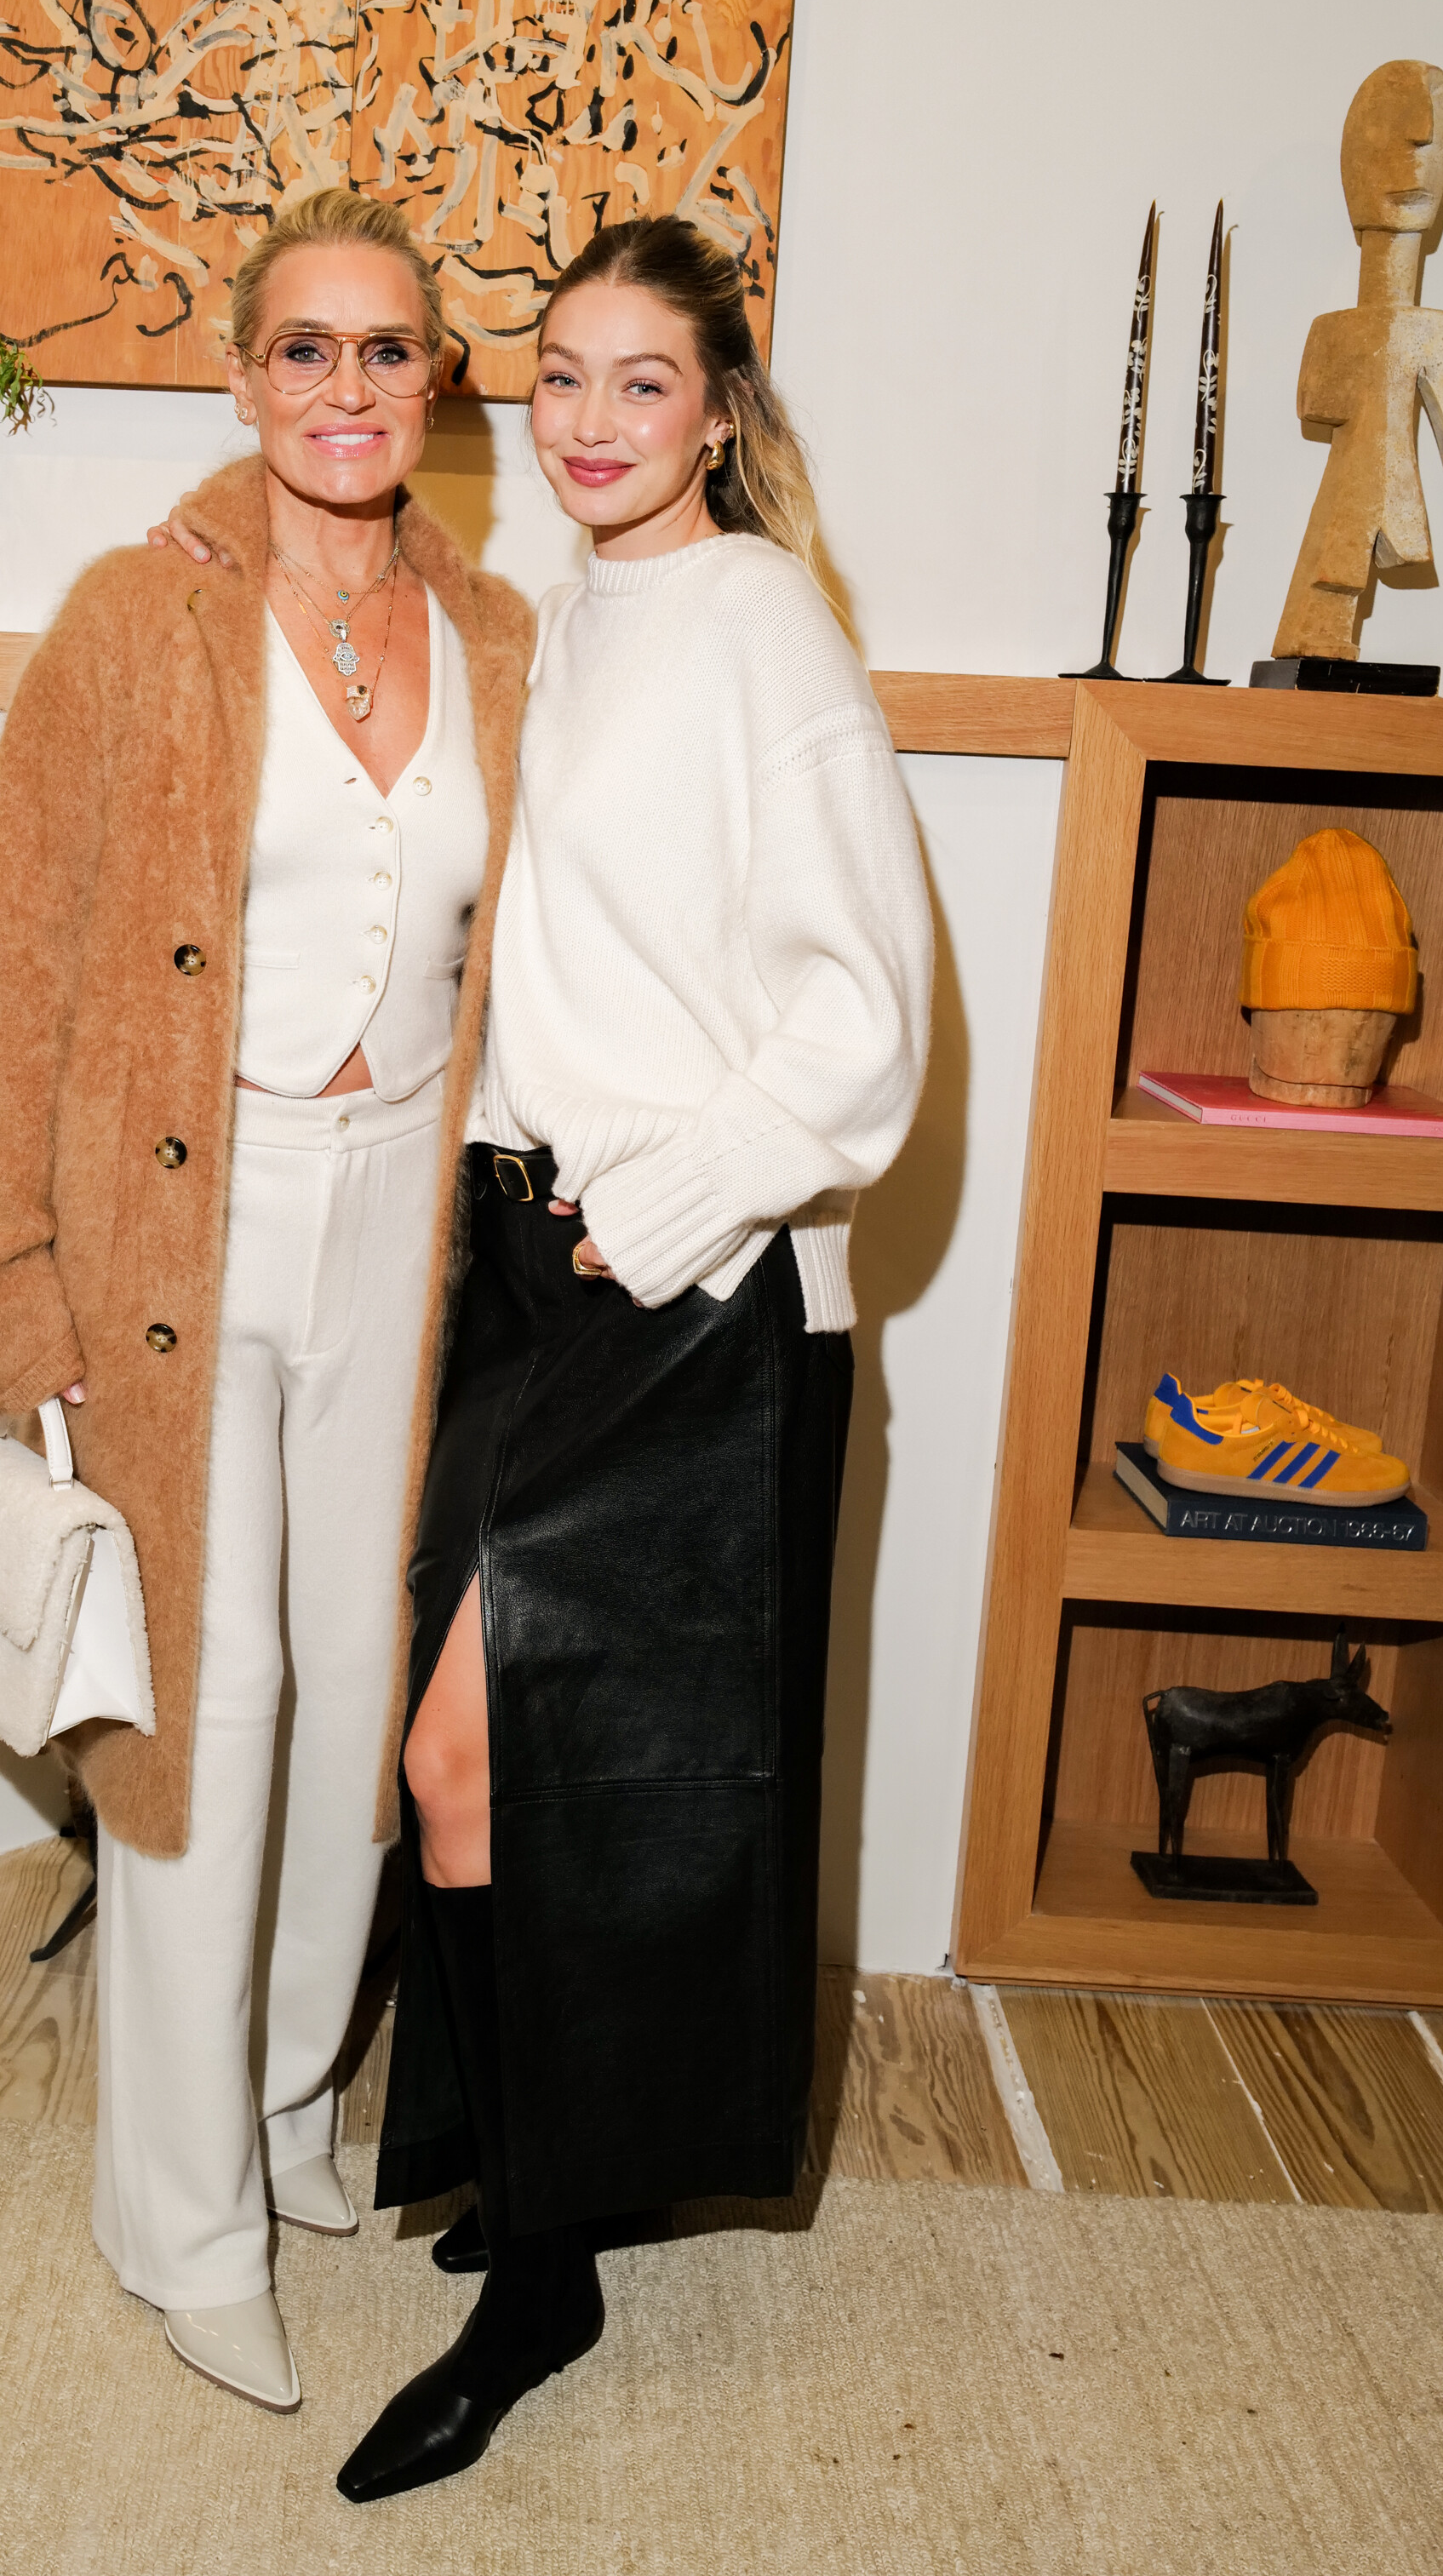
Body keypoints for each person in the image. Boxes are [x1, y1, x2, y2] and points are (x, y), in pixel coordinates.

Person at [336, 214, 935, 2503]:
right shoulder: (560, 619)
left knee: (503, 1757)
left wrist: (659, 1212)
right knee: (460, 1764)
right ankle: (539, 2189)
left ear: (720, 415)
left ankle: (544, 2276)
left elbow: (866, 1020)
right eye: (561, 378)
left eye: (641, 383)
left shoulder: (760, 623)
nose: (589, 422)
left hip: (687, 1289)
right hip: (527, 1270)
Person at [0, 187, 534, 2415]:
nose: (347, 389)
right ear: (240, 372)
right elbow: (9, 975)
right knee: (209, 1704)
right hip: (182, 1233)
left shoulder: (500, 635)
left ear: (433, 380)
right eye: (306, 348)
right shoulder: (134, 620)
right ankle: (177, 2218)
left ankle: (283, 2106)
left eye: (387, 350)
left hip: (404, 1226)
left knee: (355, 1693)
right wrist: (14, 1303)